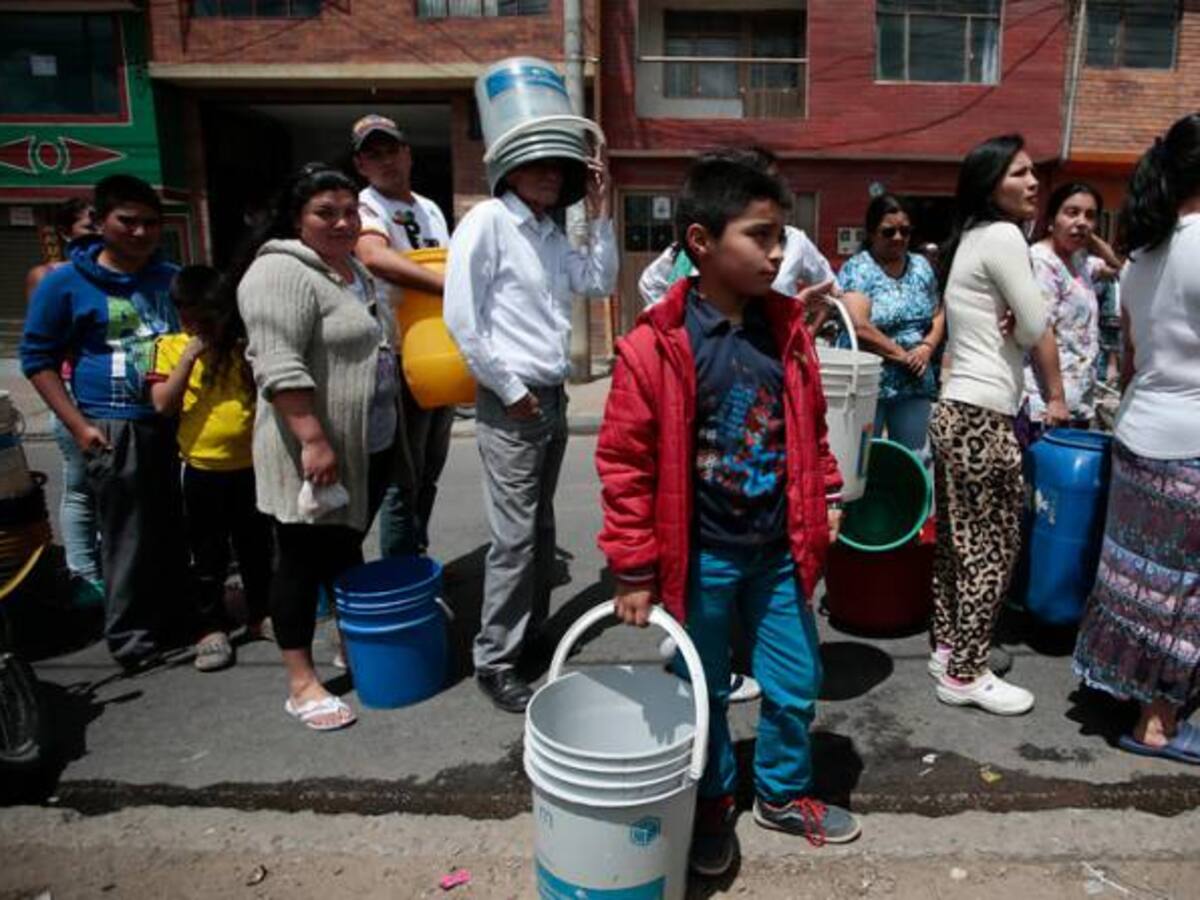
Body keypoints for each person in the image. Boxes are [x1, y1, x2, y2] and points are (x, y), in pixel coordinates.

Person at [597, 154, 857, 874]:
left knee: (796, 677)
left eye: (782, 237)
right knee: (702, 689)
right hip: (700, 554)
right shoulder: (656, 347)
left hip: (778, 550)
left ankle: (779, 792)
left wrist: (826, 496)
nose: (779, 253)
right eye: (763, 236)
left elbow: (808, 427)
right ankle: (711, 802)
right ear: (701, 242)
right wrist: (634, 569)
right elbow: (624, 465)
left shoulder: (787, 332)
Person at [444, 151, 617, 714]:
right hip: (511, 397)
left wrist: (601, 210)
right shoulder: (488, 222)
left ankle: (529, 634)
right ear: (511, 170)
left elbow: (600, 280)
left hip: (549, 394)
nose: (551, 176)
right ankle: (494, 660)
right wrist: (510, 391)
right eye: (539, 165)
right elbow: (461, 319)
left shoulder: (548, 231)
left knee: (540, 526)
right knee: (515, 537)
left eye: (560, 171)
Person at [236, 164, 399, 731]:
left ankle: (347, 645)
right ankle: (301, 682)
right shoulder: (280, 272)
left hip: (362, 447)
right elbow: (277, 362)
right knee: (301, 563)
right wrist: (312, 438)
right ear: (296, 218)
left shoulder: (349, 269)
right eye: (325, 213)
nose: (342, 222)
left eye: (350, 211)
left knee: (344, 553)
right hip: (312, 449)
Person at [21, 175, 190, 669]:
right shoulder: (65, 283)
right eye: (127, 221)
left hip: (170, 421)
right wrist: (78, 425)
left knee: (170, 529)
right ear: (100, 221)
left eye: (151, 223)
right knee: (126, 535)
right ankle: (131, 638)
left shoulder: (169, 278)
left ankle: (175, 621)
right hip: (111, 424)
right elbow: (37, 359)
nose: (140, 232)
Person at [1073, 113, 1200, 764]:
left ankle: (1130, 691)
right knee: (1183, 588)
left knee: (1141, 577)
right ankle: (1158, 721)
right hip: (1190, 445)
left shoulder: (1144, 256)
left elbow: (1131, 358)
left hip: (1140, 431)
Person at [929, 135, 1051, 716]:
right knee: (991, 549)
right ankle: (967, 672)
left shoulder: (971, 241)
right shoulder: (1004, 237)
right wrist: (1021, 316)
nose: (1033, 183)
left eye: (1033, 173)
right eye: (1019, 174)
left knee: (957, 545)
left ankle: (949, 648)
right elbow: (1032, 326)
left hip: (954, 408)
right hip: (983, 414)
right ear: (990, 185)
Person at [148, 265, 273, 672]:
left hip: (250, 466)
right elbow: (163, 404)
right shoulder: (167, 346)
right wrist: (188, 355)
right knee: (208, 553)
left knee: (256, 546)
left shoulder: (240, 347)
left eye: (209, 317)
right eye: (191, 317)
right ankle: (210, 627)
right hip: (202, 469)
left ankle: (259, 615)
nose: (201, 326)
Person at [351, 114, 453, 559]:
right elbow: (374, 257)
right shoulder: (364, 207)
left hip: (439, 347)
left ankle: (416, 552)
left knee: (430, 469)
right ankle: (401, 571)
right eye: (373, 154)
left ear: (407, 154)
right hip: (397, 353)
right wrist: (448, 287)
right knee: (402, 478)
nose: (385, 160)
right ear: (361, 165)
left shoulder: (428, 207)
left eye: (391, 149)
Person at [24, 199, 103, 607]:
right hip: (76, 394)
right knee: (81, 487)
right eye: (90, 226)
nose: (100, 233)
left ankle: (109, 565)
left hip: (121, 398)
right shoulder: (52, 277)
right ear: (66, 233)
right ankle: (84, 574)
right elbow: (40, 350)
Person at [637, 148, 835, 306]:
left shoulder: (796, 242)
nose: (777, 255)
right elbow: (650, 282)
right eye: (759, 235)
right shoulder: (662, 343)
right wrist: (669, 318)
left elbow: (830, 287)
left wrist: (799, 325)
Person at [1016, 182, 1122, 446]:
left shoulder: (1080, 261)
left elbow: (1119, 266)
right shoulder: (1042, 261)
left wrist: (1088, 236)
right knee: (1042, 483)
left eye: (1090, 215)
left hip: (1079, 398)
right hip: (1046, 404)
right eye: (1071, 212)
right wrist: (1056, 398)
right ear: (1051, 219)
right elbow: (1042, 330)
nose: (1082, 221)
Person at [836, 194, 943, 454]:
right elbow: (859, 326)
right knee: (863, 459)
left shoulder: (921, 266)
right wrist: (902, 356)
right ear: (872, 233)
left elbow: (939, 312)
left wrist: (927, 348)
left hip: (914, 382)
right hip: (869, 383)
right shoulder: (859, 269)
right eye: (888, 231)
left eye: (905, 231)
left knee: (917, 459)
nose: (898, 238)